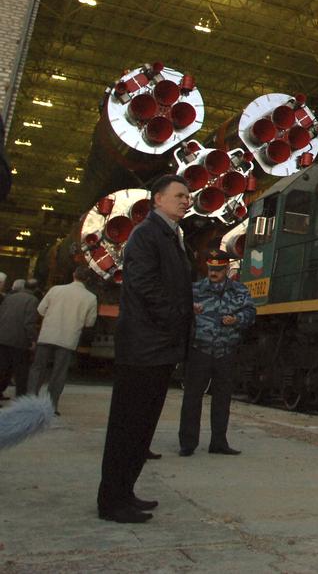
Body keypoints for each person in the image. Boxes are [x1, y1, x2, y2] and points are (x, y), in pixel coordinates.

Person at [97, 176, 194, 524]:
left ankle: (125, 491)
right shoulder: (146, 234)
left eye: (188, 195)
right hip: (144, 345)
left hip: (158, 345)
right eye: (180, 195)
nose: (187, 200)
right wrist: (176, 317)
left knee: (142, 427)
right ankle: (111, 501)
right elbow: (144, 285)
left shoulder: (170, 235)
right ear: (158, 199)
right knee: (128, 425)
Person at [179, 252, 255, 456]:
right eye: (211, 269)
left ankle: (219, 442)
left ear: (226, 269)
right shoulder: (194, 290)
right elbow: (177, 312)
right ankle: (187, 443)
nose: (213, 273)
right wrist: (190, 310)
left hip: (225, 351)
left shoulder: (239, 290)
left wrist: (237, 319)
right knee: (192, 397)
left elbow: (250, 313)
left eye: (218, 270)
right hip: (200, 350)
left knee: (222, 399)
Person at [28, 267, 98, 414]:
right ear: (88, 280)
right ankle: (52, 406)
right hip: (68, 339)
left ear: (73, 275)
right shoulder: (91, 298)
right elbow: (89, 323)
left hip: (47, 335)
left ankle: (30, 402)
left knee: (38, 369)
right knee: (59, 373)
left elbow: (41, 310)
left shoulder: (55, 290)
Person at [0, 279, 39, 401]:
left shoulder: (9, 297)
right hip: (19, 340)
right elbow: (29, 322)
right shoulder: (32, 300)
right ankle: (20, 399)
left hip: (3, 337)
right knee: (21, 372)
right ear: (35, 288)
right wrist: (32, 340)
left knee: (2, 368)